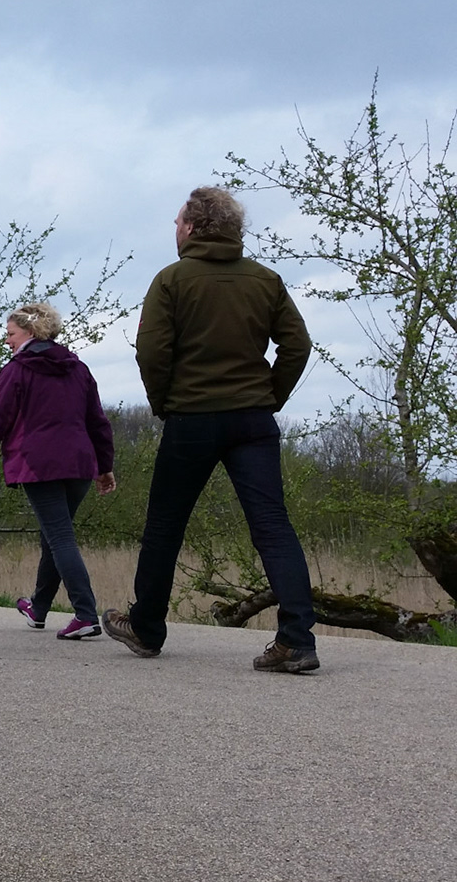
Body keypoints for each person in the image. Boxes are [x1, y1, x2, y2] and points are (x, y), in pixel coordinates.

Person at [102, 186, 319, 674]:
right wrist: (269, 397)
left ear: (195, 228)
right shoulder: (266, 280)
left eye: (179, 222)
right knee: (272, 526)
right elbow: (298, 346)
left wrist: (164, 403)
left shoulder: (172, 280)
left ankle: (147, 628)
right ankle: (297, 640)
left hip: (191, 419)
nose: (175, 230)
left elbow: (152, 352)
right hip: (252, 421)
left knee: (165, 526)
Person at [0, 302, 116, 640]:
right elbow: (98, 421)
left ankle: (85, 614)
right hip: (79, 463)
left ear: (30, 333)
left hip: (38, 463)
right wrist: (104, 466)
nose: (7, 341)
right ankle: (38, 608)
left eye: (10, 334)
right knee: (54, 534)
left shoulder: (17, 370)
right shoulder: (78, 369)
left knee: (60, 536)